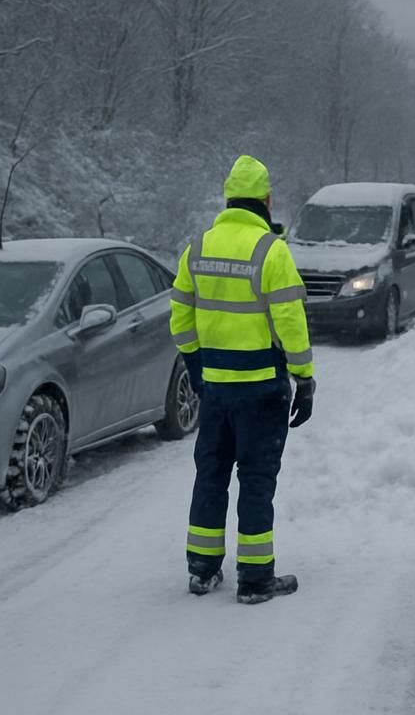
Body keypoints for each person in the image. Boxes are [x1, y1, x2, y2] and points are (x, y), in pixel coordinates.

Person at [170, 155, 316, 604]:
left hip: (214, 390)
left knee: (210, 473)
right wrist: (304, 378)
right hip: (262, 389)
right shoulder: (270, 251)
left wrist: (196, 367)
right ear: (267, 201)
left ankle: (202, 569)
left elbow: (180, 317)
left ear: (228, 199)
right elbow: (290, 321)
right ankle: (254, 580)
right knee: (255, 478)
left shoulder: (198, 247)